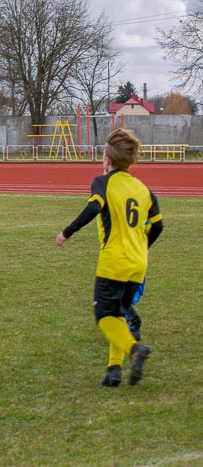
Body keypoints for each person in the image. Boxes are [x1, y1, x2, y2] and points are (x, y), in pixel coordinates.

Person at [55, 128, 163, 387]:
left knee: (104, 315)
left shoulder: (102, 182)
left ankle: (134, 349)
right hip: (139, 263)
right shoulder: (143, 189)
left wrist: (67, 232)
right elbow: (158, 226)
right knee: (120, 314)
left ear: (107, 159)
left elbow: (94, 207)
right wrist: (143, 246)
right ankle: (113, 370)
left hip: (114, 261)